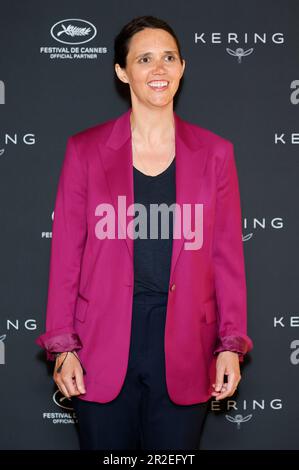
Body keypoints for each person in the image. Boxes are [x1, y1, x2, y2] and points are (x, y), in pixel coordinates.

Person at [35, 15, 253, 450]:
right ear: (122, 71)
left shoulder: (215, 154)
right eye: (145, 58)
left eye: (168, 57)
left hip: (187, 341)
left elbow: (226, 256)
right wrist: (63, 344)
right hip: (101, 339)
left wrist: (231, 343)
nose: (159, 69)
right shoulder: (85, 150)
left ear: (182, 67)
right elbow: (66, 255)